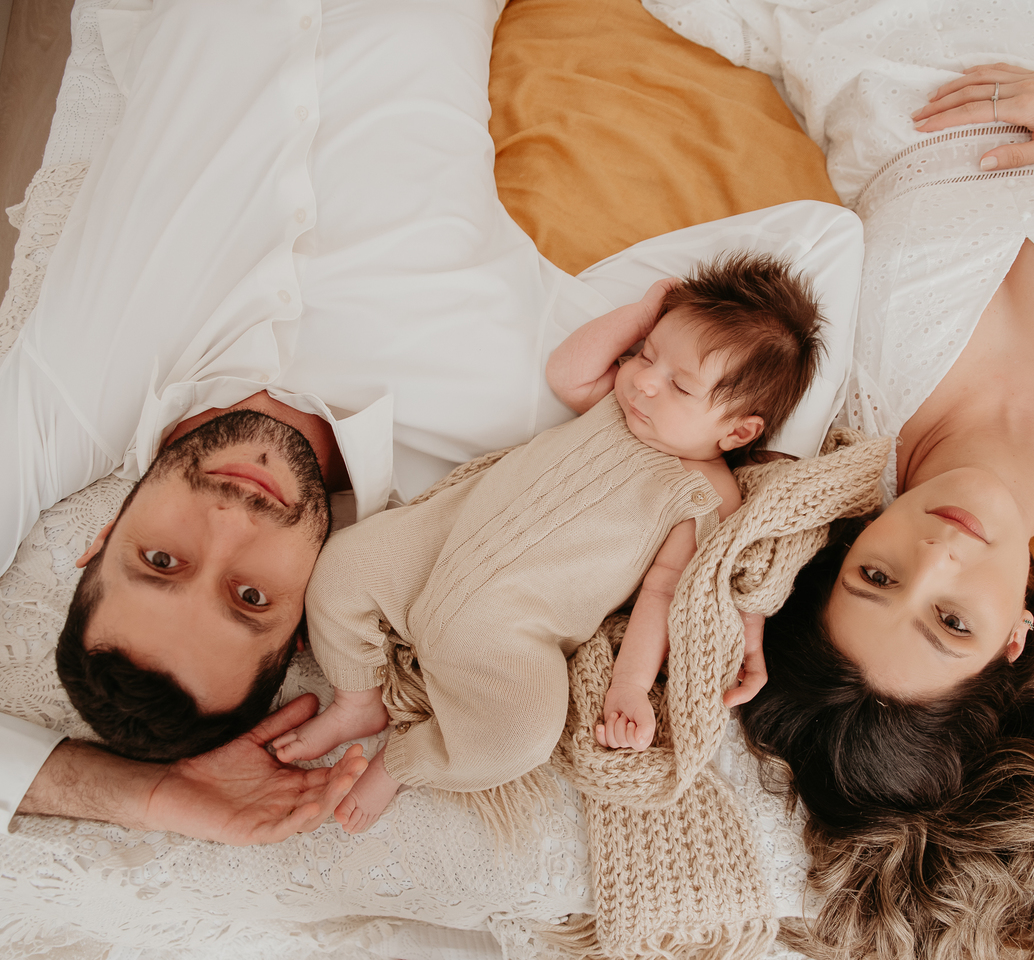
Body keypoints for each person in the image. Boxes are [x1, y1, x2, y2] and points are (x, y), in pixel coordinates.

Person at [2, 0, 864, 835]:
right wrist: (749, 554)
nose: (228, 523)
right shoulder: (515, 411)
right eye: (251, 595)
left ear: (101, 534)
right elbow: (821, 248)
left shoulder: (70, 397)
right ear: (305, 617)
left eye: (161, 558)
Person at [641, 1, 1034, 956]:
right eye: (953, 621)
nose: (937, 552)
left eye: (877, 577)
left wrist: (735, 579)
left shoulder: (839, 415)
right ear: (1018, 640)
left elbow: (696, 468)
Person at [269, 254, 823, 832]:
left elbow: (666, 592)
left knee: (524, 734)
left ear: (738, 431)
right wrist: (641, 315)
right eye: (645, 355)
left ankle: (407, 760)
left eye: (680, 385)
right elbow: (568, 370)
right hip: (438, 547)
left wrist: (631, 686)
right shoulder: (618, 405)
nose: (646, 380)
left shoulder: (704, 493)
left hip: (514, 626)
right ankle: (356, 702)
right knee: (341, 567)